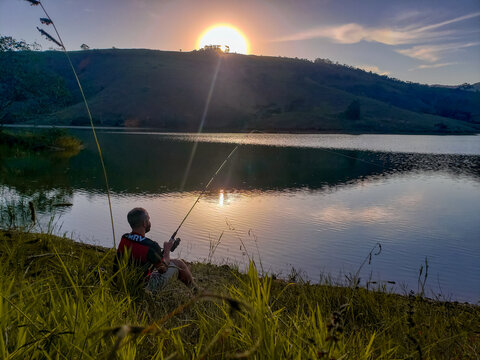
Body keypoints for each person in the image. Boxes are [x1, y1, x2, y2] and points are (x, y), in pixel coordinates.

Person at [115, 207, 195, 292]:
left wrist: (160, 254)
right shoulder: (151, 246)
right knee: (179, 264)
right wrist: (167, 251)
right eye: (148, 219)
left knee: (173, 262)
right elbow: (163, 269)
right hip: (142, 288)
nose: (149, 222)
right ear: (144, 223)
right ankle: (196, 291)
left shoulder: (124, 238)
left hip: (122, 282)